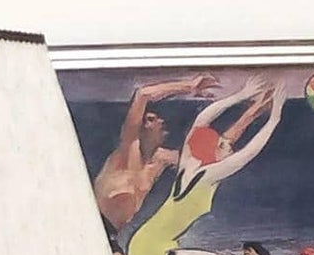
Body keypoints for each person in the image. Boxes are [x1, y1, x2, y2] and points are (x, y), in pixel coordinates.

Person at [123, 85, 314, 255]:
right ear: (215, 151)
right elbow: (249, 152)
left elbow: (202, 119)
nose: (230, 148)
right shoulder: (209, 175)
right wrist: (275, 118)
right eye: (226, 146)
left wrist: (240, 95)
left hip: (140, 246)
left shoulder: (188, 163)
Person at [91, 73, 219, 236]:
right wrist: (190, 86)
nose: (159, 121)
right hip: (92, 224)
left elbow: (207, 162)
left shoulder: (161, 159)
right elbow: (143, 94)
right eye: (149, 118)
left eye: (157, 119)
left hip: (111, 234)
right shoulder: (128, 150)